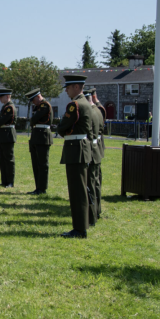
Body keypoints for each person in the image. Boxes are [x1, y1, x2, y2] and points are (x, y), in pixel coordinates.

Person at [56, 75, 93, 238]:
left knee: (77, 191)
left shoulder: (75, 104)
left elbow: (63, 126)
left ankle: (80, 228)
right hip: (78, 148)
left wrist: (62, 129)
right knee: (79, 189)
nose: (66, 90)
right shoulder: (84, 103)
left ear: (77, 87)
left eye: (68, 87)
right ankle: (80, 226)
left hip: (75, 149)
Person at [25, 88, 53, 195]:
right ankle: (38, 187)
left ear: (38, 96)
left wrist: (33, 120)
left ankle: (42, 188)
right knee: (36, 163)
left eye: (33, 99)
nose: (33, 102)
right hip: (37, 135)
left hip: (43, 136)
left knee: (42, 164)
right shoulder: (38, 106)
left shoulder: (44, 105)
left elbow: (34, 118)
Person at [84, 88, 102, 227]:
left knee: (90, 184)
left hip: (91, 149)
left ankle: (92, 214)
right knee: (95, 183)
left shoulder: (90, 111)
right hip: (96, 149)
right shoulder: (97, 110)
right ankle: (97, 210)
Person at [0, 88, 17, 187]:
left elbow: (2, 120)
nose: (0, 99)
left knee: (8, 159)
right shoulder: (5, 107)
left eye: (1, 96)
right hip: (3, 134)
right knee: (2, 159)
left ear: (7, 96)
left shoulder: (9, 107)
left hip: (7, 134)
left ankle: (10, 181)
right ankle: (4, 181)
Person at [92, 89, 107, 219]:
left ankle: (96, 206)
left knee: (96, 178)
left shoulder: (99, 109)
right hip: (95, 144)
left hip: (97, 144)